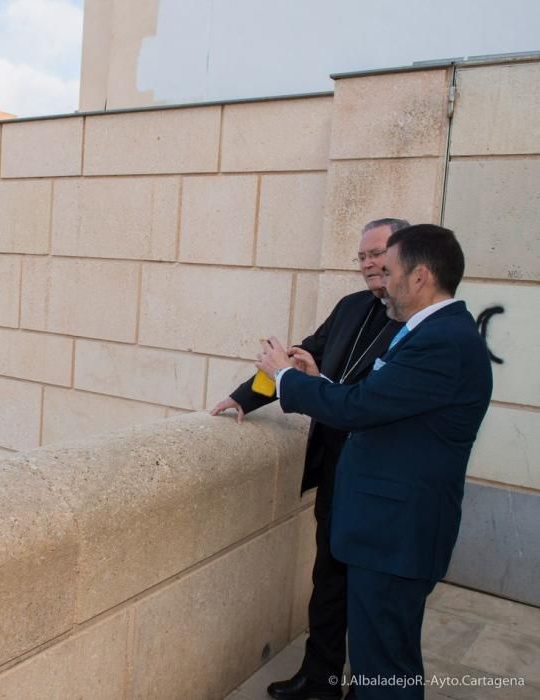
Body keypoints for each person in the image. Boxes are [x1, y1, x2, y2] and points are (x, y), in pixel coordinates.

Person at [256, 224, 492, 700]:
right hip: (386, 532)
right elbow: (375, 403)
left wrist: (284, 377)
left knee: (385, 670)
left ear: (420, 276)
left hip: (396, 536)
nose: (379, 278)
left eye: (389, 269)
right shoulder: (429, 332)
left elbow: (359, 410)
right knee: (377, 660)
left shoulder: (441, 341)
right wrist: (319, 382)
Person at [211, 218, 408, 700]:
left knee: (373, 602)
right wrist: (244, 398)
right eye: (361, 256)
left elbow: (366, 402)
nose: (367, 264)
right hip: (336, 469)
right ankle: (319, 679)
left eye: (377, 253)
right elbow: (297, 361)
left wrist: (318, 383)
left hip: (379, 477)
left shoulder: (414, 323)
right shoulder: (351, 307)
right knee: (328, 583)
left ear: (405, 257)